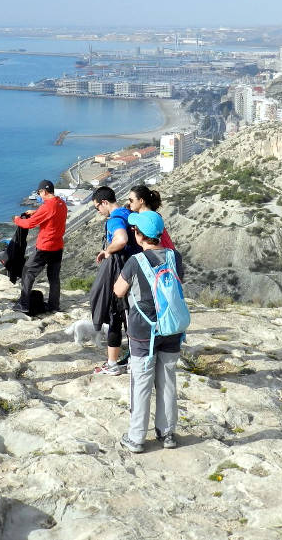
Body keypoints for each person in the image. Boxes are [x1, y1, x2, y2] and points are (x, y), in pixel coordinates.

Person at [112, 210, 184, 453]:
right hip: (172, 327)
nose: (133, 232)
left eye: (135, 230)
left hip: (144, 331)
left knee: (141, 383)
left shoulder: (135, 262)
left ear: (140, 236)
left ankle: (136, 438)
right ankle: (168, 433)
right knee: (167, 380)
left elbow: (119, 291)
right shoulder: (175, 257)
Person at [89, 186, 140, 375]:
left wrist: (107, 250)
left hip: (122, 274)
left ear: (104, 202)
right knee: (132, 318)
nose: (99, 212)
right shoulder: (129, 213)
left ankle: (112, 364)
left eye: (97, 208)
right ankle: (135, 358)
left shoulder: (115, 219)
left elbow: (121, 239)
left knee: (116, 318)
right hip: (137, 272)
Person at [12, 179, 67, 313]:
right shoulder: (61, 203)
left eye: (39, 192)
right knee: (54, 277)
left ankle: (23, 304)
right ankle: (54, 305)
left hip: (45, 248)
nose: (39, 194)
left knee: (28, 272)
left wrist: (16, 220)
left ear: (44, 191)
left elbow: (29, 224)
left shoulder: (48, 206)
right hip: (58, 246)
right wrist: (35, 212)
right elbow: (50, 215)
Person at [127, 184, 174, 248]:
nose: (129, 203)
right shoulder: (155, 217)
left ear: (141, 201)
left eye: (131, 200)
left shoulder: (146, 222)